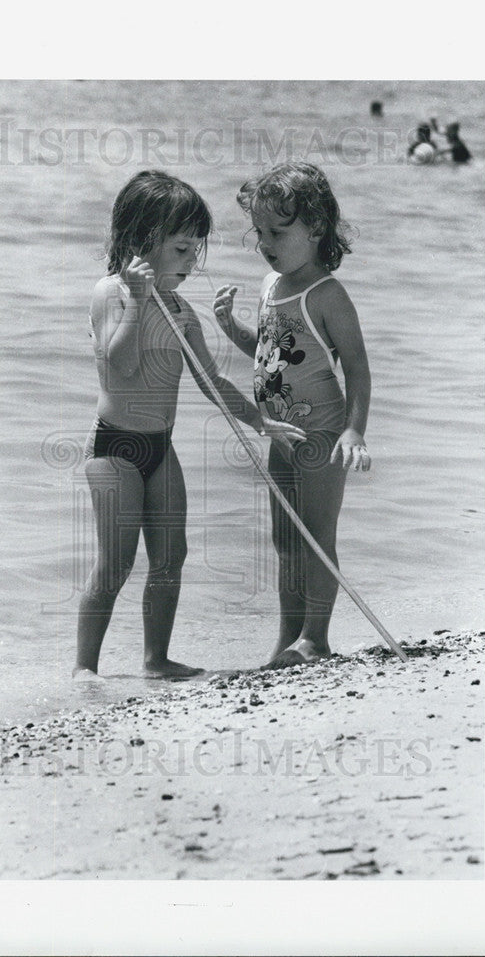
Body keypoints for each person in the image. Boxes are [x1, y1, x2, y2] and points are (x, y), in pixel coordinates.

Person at [74, 170, 305, 680]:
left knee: (171, 556)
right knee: (115, 563)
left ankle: (155, 659)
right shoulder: (110, 293)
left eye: (195, 251)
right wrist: (137, 302)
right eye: (181, 250)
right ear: (141, 243)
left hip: (161, 446)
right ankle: (84, 667)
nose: (191, 263)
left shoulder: (180, 309)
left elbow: (211, 381)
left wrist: (261, 423)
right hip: (115, 448)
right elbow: (119, 367)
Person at [213, 162, 372, 668]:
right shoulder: (269, 285)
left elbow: (358, 368)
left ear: (317, 228)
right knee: (286, 539)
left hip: (323, 435)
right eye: (259, 232)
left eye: (277, 232)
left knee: (317, 535)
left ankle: (317, 638)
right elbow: (267, 353)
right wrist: (231, 326)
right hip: (280, 435)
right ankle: (289, 637)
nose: (265, 242)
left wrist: (353, 429)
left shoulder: (327, 295)